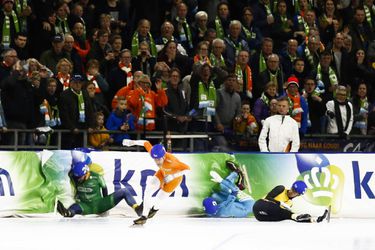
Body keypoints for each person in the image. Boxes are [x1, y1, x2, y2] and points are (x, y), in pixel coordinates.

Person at [122, 139, 190, 225]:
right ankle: (144, 216)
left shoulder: (172, 160)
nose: (157, 162)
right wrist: (132, 142)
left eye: (158, 159)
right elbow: (145, 143)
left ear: (164, 156)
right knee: (148, 189)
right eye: (154, 159)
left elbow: (188, 169)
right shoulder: (153, 152)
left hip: (174, 180)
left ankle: (154, 209)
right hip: (162, 173)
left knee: (158, 199)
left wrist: (173, 176)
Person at [56, 150, 142, 217]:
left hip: (99, 204)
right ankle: (68, 213)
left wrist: (106, 202)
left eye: (80, 177)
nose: (78, 179)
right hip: (84, 205)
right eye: (77, 177)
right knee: (74, 207)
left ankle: (137, 208)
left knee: (124, 191)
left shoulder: (97, 176)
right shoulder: (74, 176)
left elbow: (104, 189)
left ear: (86, 173)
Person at [253, 180, 328, 223]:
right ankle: (296, 216)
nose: (292, 191)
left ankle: (311, 219)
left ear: (298, 195)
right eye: (292, 188)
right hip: (260, 205)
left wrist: (311, 220)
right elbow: (268, 198)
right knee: (281, 210)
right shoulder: (281, 189)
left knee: (286, 215)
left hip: (262, 217)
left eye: (295, 191)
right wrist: (280, 203)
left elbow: (282, 213)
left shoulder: (290, 203)